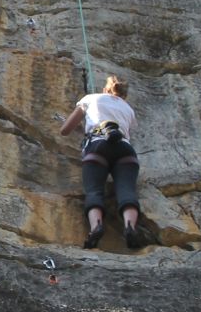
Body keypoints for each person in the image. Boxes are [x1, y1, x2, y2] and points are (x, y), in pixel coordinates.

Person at [59, 74, 146, 250]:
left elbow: (65, 130)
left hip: (97, 147)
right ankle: (129, 226)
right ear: (123, 94)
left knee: (94, 190)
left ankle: (96, 226)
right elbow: (127, 132)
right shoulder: (128, 109)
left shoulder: (90, 98)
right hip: (125, 150)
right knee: (127, 190)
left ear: (105, 88)